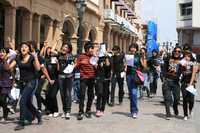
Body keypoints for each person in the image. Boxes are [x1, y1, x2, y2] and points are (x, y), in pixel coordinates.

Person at [8, 42, 42, 130]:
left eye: (26, 47)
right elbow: (9, 67)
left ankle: (21, 123)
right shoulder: (18, 57)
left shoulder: (31, 58)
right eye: (22, 47)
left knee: (22, 101)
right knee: (28, 103)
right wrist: (7, 58)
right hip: (22, 83)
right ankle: (38, 115)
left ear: (29, 49)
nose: (23, 48)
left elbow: (38, 69)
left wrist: (35, 58)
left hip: (31, 82)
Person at [125, 44, 147, 118]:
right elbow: (125, 65)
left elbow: (144, 66)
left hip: (135, 76)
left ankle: (135, 111)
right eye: (131, 47)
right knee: (131, 94)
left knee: (134, 93)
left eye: (134, 48)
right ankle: (132, 109)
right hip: (128, 76)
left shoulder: (139, 56)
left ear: (136, 49)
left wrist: (142, 59)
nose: (133, 49)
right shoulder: (127, 56)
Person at [76, 41, 96, 120]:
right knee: (82, 95)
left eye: (92, 48)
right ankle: (80, 111)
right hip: (83, 78)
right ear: (86, 49)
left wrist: (96, 65)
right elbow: (76, 66)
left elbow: (98, 69)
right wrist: (80, 63)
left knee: (90, 95)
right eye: (91, 48)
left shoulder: (94, 57)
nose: (92, 50)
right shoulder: (81, 56)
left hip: (92, 78)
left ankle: (88, 110)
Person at [163, 46, 182, 120]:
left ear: (180, 53)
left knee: (177, 98)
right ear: (173, 51)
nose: (177, 52)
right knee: (167, 98)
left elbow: (182, 69)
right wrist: (164, 75)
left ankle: (175, 106)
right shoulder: (168, 58)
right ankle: (168, 113)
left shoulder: (181, 60)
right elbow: (164, 67)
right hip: (167, 80)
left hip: (176, 82)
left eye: (179, 51)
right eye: (176, 51)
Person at [58, 43, 74, 120]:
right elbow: (51, 51)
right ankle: (64, 111)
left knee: (68, 94)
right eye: (63, 46)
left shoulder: (71, 56)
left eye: (66, 47)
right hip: (61, 77)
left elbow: (74, 64)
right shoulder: (59, 55)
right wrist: (57, 42)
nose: (64, 48)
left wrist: (73, 65)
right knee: (62, 94)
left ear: (69, 49)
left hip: (69, 77)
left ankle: (68, 111)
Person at [180, 50, 197, 120]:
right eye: (186, 56)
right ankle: (185, 115)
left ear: (191, 57)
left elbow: (193, 75)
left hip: (192, 84)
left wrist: (190, 84)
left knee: (192, 100)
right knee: (185, 99)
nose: (187, 58)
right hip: (183, 83)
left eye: (189, 56)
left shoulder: (194, 64)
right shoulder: (182, 64)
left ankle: (190, 109)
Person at [95, 45, 111, 117]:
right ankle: (98, 109)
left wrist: (106, 57)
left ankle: (102, 109)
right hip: (99, 78)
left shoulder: (109, 58)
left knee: (104, 95)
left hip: (106, 79)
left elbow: (108, 66)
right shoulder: (98, 58)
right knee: (99, 93)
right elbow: (94, 66)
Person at [0, 48, 14, 121]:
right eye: (0, 52)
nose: (1, 53)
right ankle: (7, 110)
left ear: (6, 54)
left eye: (3, 52)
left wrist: (6, 59)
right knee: (1, 101)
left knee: (2, 99)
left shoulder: (8, 61)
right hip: (0, 83)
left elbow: (8, 69)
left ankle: (5, 116)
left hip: (6, 84)